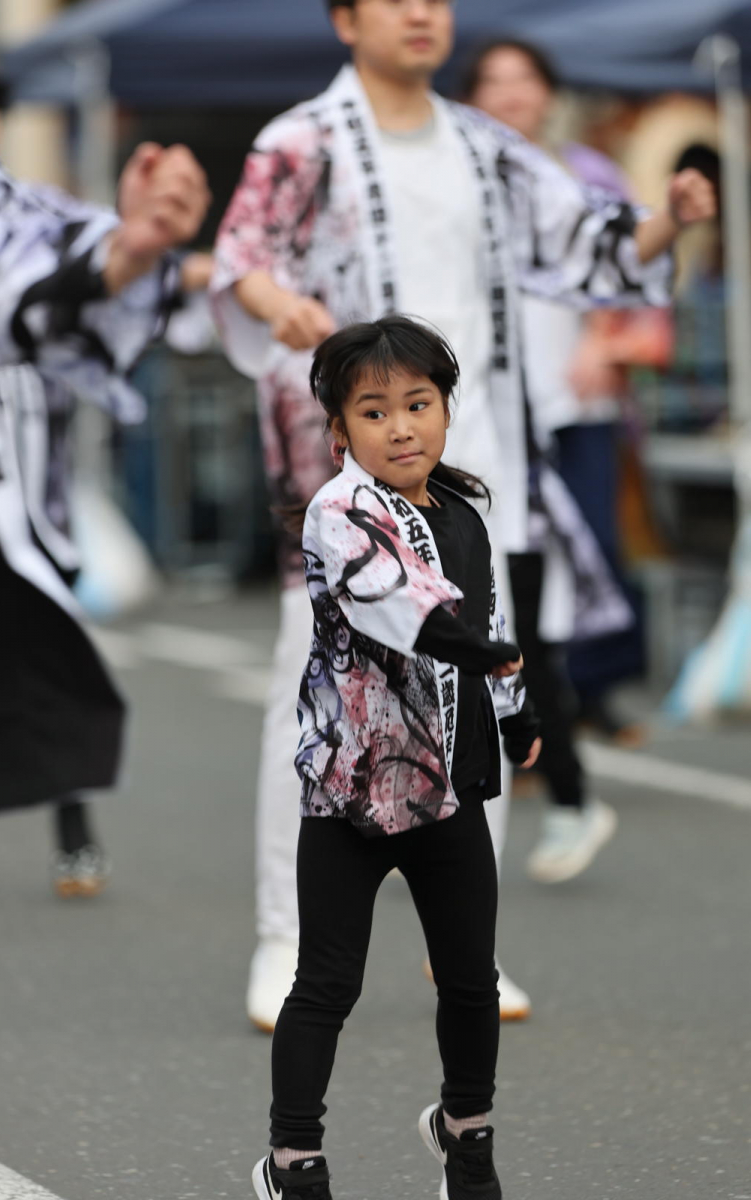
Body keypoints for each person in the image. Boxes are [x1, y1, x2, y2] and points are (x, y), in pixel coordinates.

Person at [212, 0, 715, 1030]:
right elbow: (241, 258)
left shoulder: (488, 147)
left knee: (474, 684)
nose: (421, 14)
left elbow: (589, 244)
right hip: (343, 465)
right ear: (346, 19)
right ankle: (285, 939)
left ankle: (465, 956)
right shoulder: (302, 140)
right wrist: (282, 308)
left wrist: (670, 218)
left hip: (470, 458)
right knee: (314, 684)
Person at [252, 315, 540, 1200]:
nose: (401, 426)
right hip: (350, 794)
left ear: (446, 412)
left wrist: (515, 709)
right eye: (374, 412)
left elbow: (491, 625)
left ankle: (467, 1142)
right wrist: (476, 652)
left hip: (448, 788)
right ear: (340, 431)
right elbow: (394, 601)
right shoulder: (339, 513)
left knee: (470, 982)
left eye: (418, 404)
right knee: (325, 984)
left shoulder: (462, 513)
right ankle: (293, 1158)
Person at [0, 63, 210, 896]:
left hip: (27, 489)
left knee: (48, 644)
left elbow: (109, 277)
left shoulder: (39, 218)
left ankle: (74, 826)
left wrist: (141, 250)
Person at [462, 39, 679, 880]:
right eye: (495, 82)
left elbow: (630, 271)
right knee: (479, 620)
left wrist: (604, 343)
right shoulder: (459, 178)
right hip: (475, 428)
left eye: (525, 82)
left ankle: (569, 760)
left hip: (569, 416)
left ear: (548, 95)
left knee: (557, 592)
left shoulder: (582, 173)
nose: (512, 96)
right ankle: (546, 780)